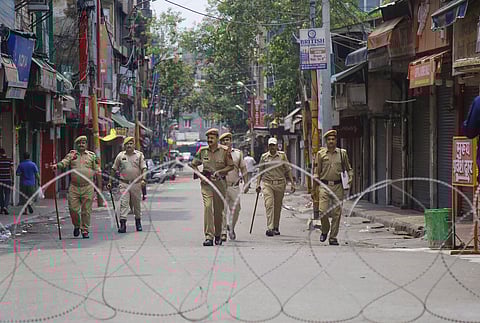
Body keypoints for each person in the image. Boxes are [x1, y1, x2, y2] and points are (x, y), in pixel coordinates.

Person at [190, 128, 234, 246]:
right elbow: (193, 164)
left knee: (218, 211)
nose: (209, 140)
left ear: (216, 139)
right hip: (206, 184)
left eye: (212, 138)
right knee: (208, 207)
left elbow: (231, 166)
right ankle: (209, 236)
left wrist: (220, 172)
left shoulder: (224, 151)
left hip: (220, 184)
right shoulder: (203, 151)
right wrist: (199, 174)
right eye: (208, 138)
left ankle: (218, 234)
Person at [51, 136, 101, 238]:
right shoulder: (72, 155)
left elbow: (97, 168)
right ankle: (77, 225)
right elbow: (64, 162)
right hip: (74, 187)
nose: (81, 145)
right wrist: (57, 166)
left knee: (86, 210)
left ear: (86, 144)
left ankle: (85, 230)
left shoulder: (92, 156)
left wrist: (98, 172)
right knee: (73, 209)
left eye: (83, 143)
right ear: (76, 145)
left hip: (88, 187)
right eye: (79, 143)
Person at [313, 129, 353, 246]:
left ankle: (333, 237)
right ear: (326, 141)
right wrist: (314, 189)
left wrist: (350, 177)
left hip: (338, 186)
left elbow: (348, 168)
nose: (331, 141)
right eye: (329, 139)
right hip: (324, 186)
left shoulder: (342, 153)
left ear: (336, 140)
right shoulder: (320, 154)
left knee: (336, 213)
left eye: (333, 139)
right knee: (322, 211)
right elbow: (317, 172)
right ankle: (325, 229)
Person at [256, 137, 295, 236]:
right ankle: (270, 227)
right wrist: (257, 184)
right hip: (267, 184)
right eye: (270, 145)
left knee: (277, 206)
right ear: (268, 146)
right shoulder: (264, 157)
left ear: (277, 146)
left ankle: (276, 227)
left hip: (280, 184)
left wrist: (292, 183)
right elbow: (260, 171)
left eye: (274, 145)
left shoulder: (282, 156)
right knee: (269, 204)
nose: (272, 147)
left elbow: (288, 169)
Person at [107, 137, 147, 233]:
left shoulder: (139, 155)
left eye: (131, 143)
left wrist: (143, 179)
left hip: (136, 183)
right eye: (127, 144)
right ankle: (123, 225)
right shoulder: (120, 156)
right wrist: (110, 182)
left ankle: (138, 222)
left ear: (134, 145)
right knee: (124, 203)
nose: (129, 146)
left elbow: (144, 169)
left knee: (136, 204)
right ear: (124, 146)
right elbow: (114, 169)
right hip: (124, 183)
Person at [219, 132, 248, 241]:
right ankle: (222, 232)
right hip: (221, 186)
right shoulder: (217, 154)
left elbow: (243, 169)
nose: (225, 142)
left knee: (236, 209)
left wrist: (246, 183)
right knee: (222, 210)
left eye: (227, 140)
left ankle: (231, 227)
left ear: (231, 141)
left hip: (234, 186)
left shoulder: (238, 154)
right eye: (223, 141)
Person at [0, 148, 13, 215]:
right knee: (7, 194)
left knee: (1, 194)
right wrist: (12, 179)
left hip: (0, 180)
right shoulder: (9, 160)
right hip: (8, 179)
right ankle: (5, 206)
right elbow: (12, 170)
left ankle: (2, 208)